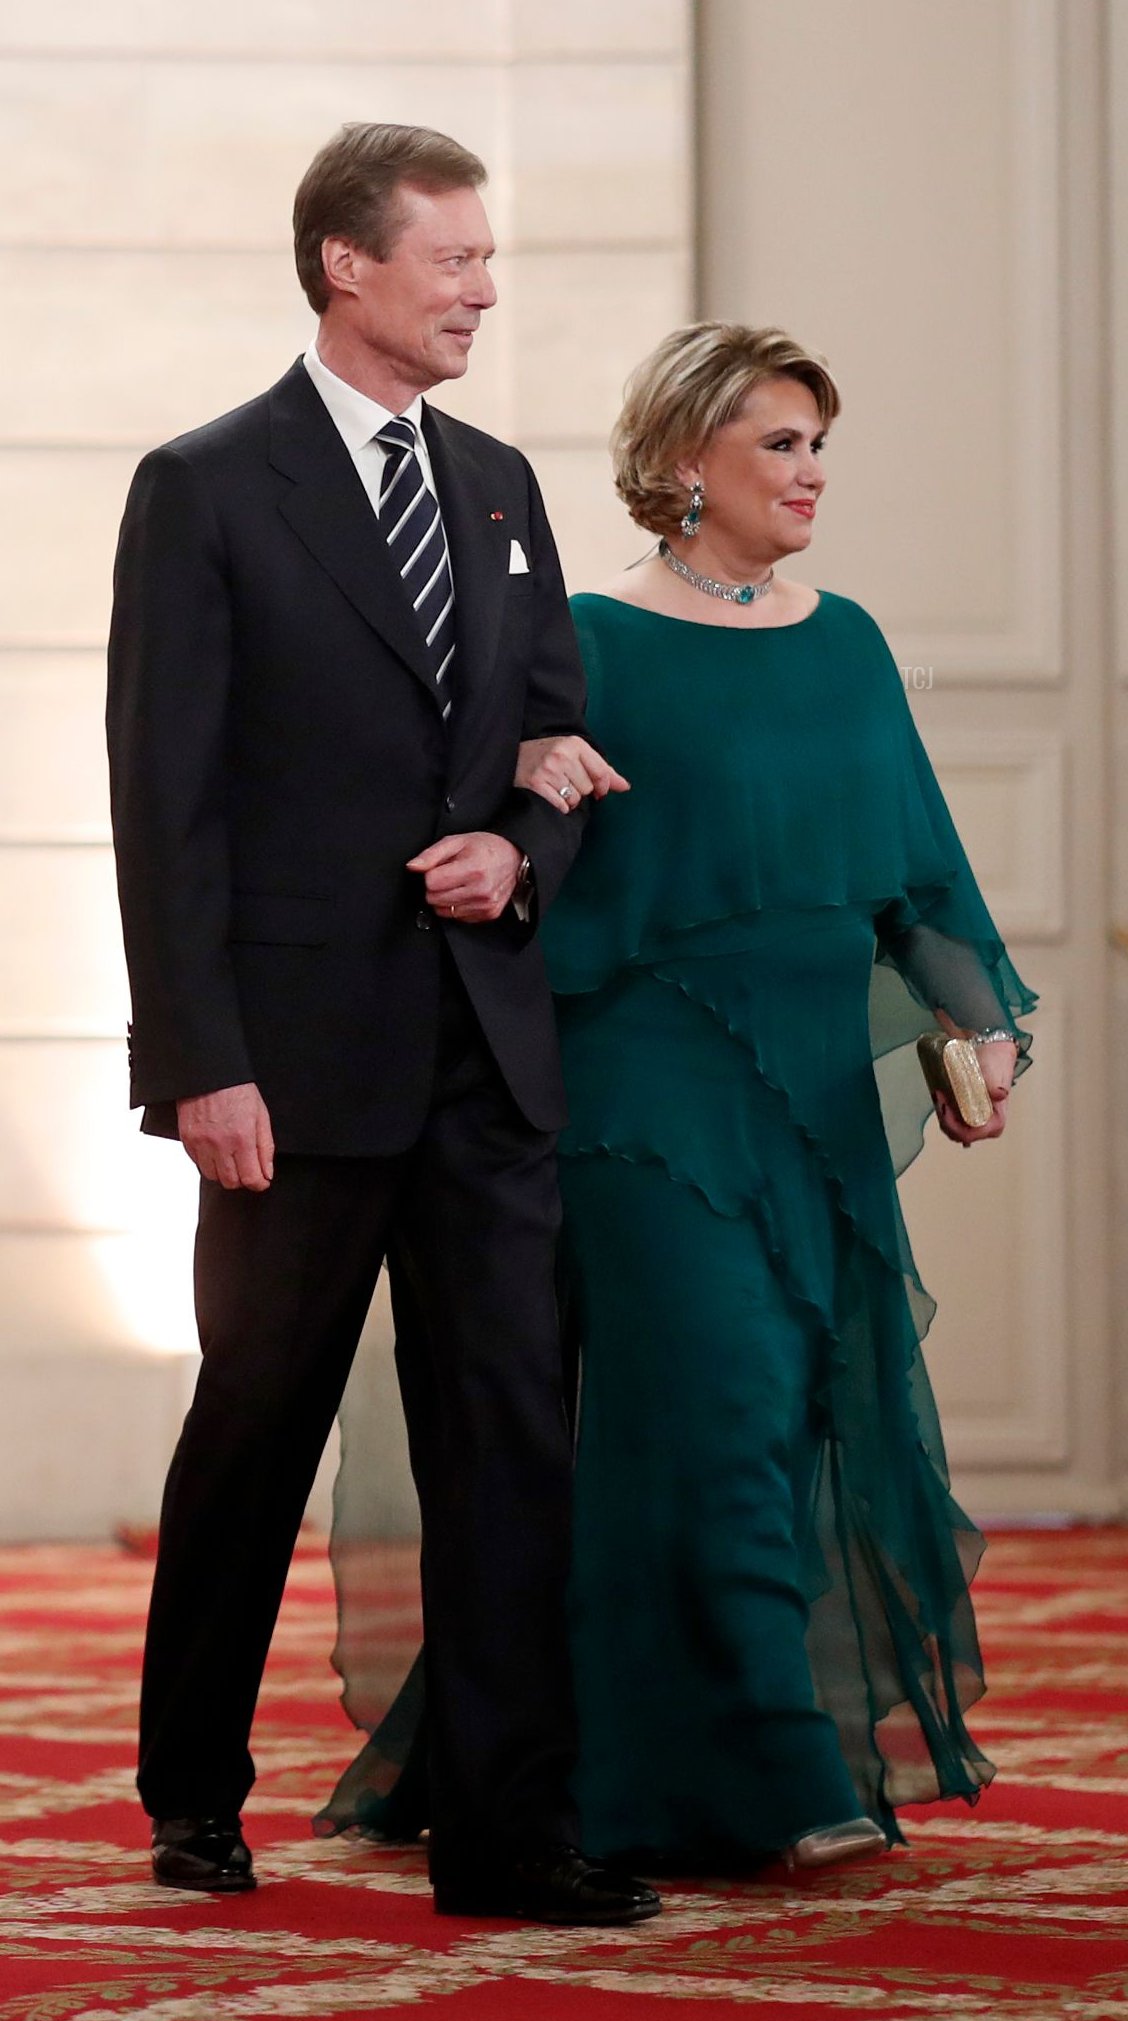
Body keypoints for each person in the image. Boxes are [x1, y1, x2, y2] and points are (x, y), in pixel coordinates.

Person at [318, 322, 1036, 1870]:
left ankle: (569, 1744)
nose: (811, 471)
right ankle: (772, 1774)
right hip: (642, 1088)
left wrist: (986, 1033)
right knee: (706, 1413)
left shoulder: (844, 639)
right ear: (685, 457)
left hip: (813, 1094)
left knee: (774, 1420)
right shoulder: (588, 637)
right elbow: (520, 837)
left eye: (817, 441)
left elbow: (920, 872)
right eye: (778, 442)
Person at [105, 119, 657, 1927]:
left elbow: (559, 753)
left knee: (510, 1436)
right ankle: (193, 1788)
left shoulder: (499, 485)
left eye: (488, 261)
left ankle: (510, 1837)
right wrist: (200, 1065)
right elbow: (161, 802)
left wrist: (520, 845)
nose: (484, 290)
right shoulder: (205, 487)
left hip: (484, 1058)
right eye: (455, 260)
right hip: (290, 1071)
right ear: (348, 264)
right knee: (257, 1424)